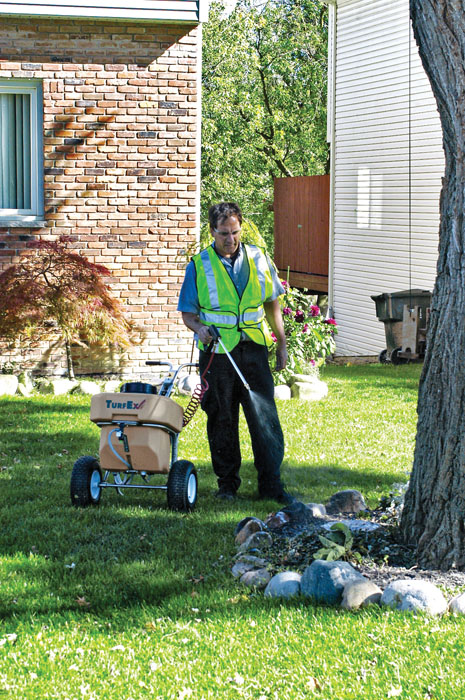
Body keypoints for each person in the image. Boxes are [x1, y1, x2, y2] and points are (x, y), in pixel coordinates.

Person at [178, 201, 293, 504]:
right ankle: (227, 485)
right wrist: (199, 328)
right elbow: (188, 313)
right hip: (217, 354)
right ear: (212, 231)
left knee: (264, 416)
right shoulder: (199, 265)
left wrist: (280, 343)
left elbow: (272, 304)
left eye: (235, 232)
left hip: (253, 349)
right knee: (221, 419)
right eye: (223, 234)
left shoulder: (258, 258)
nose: (230, 240)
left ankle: (271, 484)